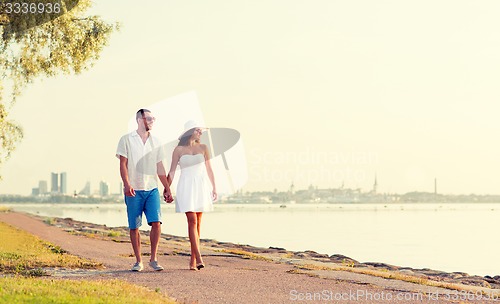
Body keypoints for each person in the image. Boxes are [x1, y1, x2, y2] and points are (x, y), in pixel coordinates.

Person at [116, 109, 173, 272]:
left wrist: (167, 188)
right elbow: (123, 164)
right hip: (133, 189)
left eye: (153, 118)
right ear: (140, 120)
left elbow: (160, 166)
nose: (152, 121)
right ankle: (138, 261)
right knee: (134, 226)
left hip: (151, 188)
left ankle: (153, 259)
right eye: (149, 118)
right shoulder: (126, 139)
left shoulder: (156, 141)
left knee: (156, 222)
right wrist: (127, 184)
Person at [167, 120, 217, 271]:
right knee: (192, 220)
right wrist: (167, 188)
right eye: (198, 130)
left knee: (198, 224)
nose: (201, 133)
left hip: (201, 186)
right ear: (190, 131)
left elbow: (209, 169)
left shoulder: (203, 148)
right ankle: (200, 258)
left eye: (201, 130)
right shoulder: (178, 150)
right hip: (186, 186)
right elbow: (172, 171)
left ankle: (192, 261)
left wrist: (214, 187)